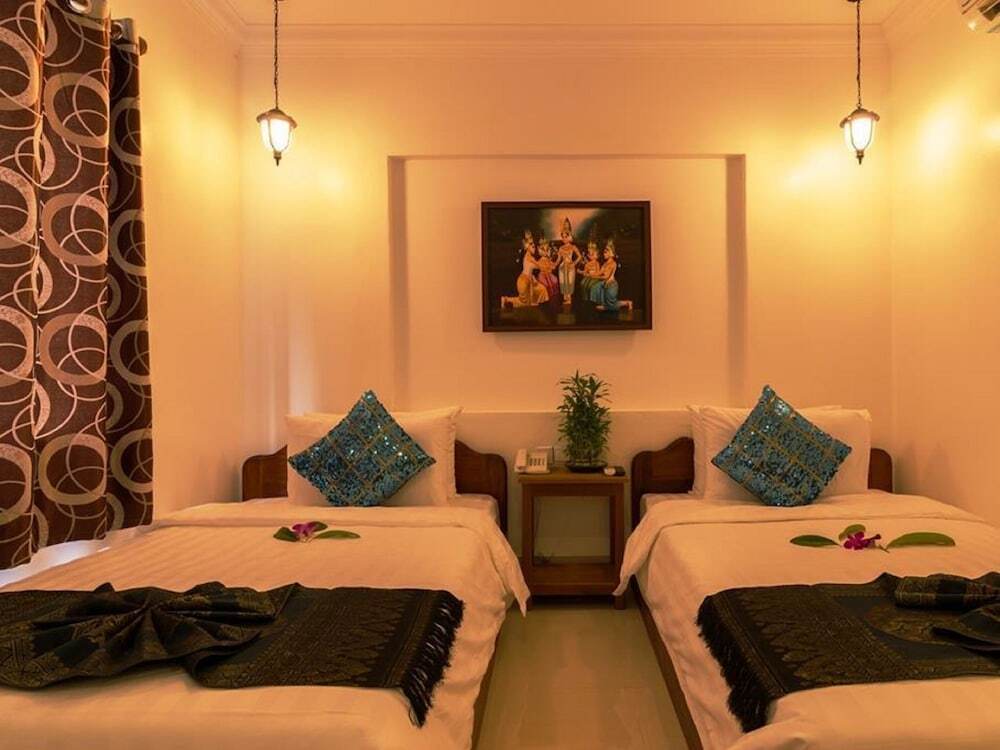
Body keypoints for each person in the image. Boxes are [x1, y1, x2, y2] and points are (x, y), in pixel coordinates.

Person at [501, 230, 550, 308]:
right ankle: (506, 299)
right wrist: (546, 257)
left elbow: (539, 267)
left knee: (542, 290)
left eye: (534, 245)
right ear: (527, 247)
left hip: (529, 281)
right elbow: (540, 266)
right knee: (525, 303)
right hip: (524, 282)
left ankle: (540, 306)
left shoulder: (530, 256)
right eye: (532, 246)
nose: (534, 247)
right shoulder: (529, 258)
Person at [589, 238, 633, 312]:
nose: (604, 254)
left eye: (605, 252)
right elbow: (599, 272)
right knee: (596, 287)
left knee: (612, 305)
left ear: (610, 253)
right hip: (605, 284)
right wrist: (591, 273)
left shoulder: (613, 264)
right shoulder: (605, 264)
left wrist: (595, 276)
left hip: (611, 285)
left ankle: (627, 303)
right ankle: (604, 305)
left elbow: (606, 276)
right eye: (604, 252)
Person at [555, 218, 582, 305]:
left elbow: (580, 257)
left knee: (569, 281)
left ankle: (569, 298)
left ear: (569, 237)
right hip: (562, 267)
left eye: (565, 237)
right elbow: (558, 259)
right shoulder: (561, 248)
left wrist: (573, 263)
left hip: (570, 267)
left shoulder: (573, 247)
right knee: (563, 282)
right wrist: (554, 264)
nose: (564, 239)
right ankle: (565, 298)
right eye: (562, 237)